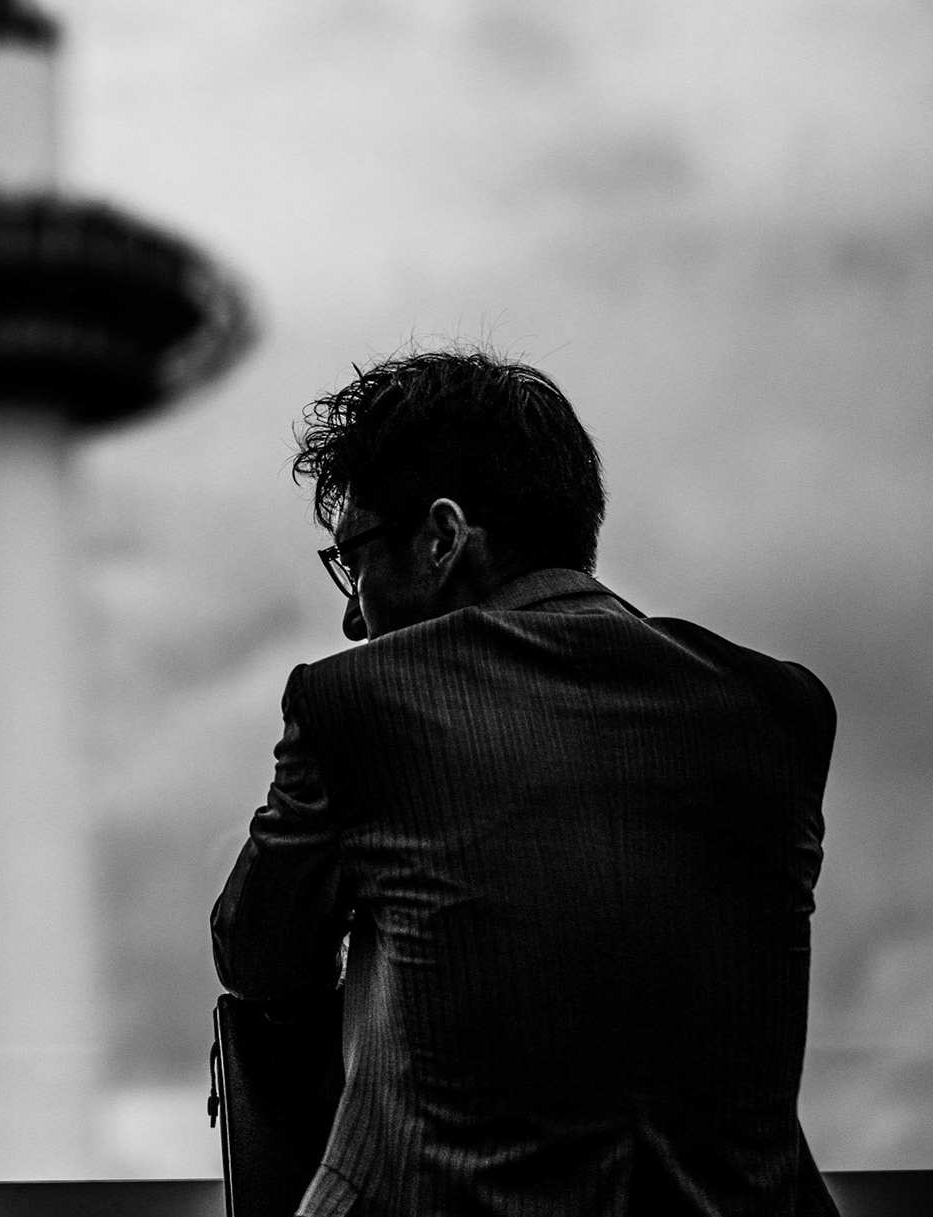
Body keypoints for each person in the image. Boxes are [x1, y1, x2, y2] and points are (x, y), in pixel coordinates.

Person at [212, 350, 838, 1215]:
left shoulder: (357, 702)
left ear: (441, 538)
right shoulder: (780, 710)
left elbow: (261, 960)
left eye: (352, 560)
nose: (353, 614)